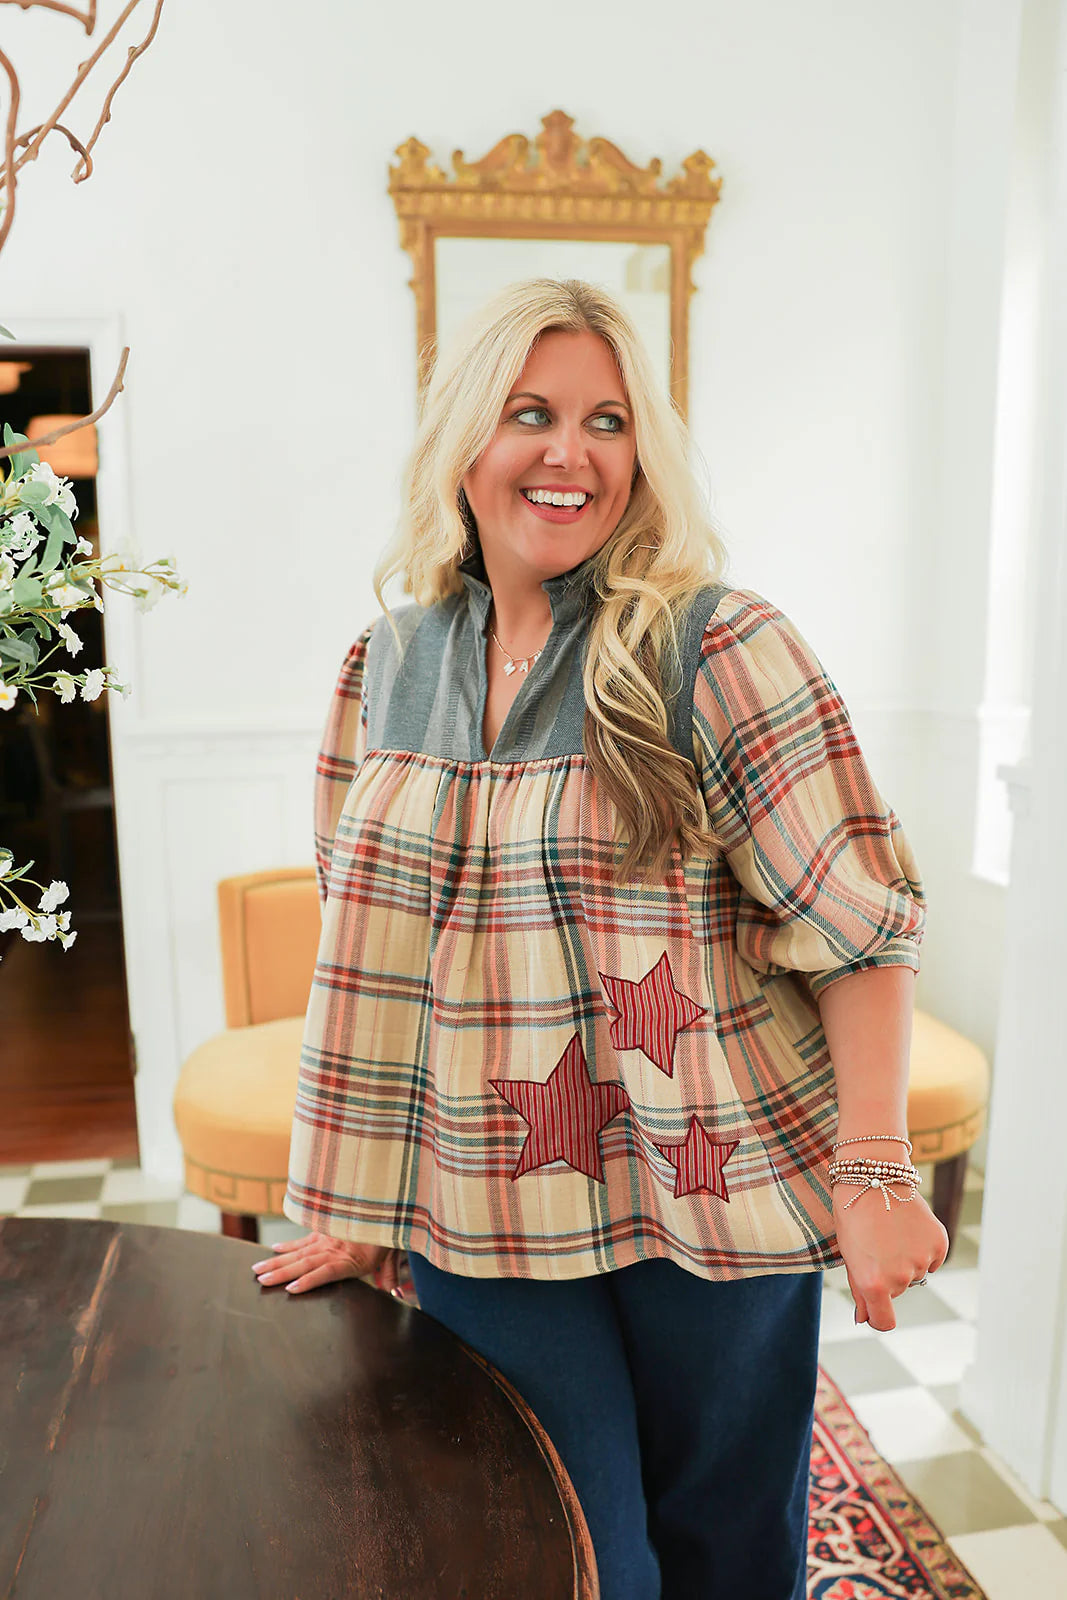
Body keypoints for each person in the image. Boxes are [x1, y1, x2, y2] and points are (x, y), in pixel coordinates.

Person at [252, 278, 948, 1599]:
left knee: (728, 1551)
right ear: (464, 439)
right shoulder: (385, 667)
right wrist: (359, 1201)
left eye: (607, 421)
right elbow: (376, 960)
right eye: (530, 412)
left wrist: (873, 1171)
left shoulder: (719, 648)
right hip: (481, 1208)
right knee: (567, 1556)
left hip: (709, 1194)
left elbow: (857, 927)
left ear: (643, 455)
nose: (569, 452)